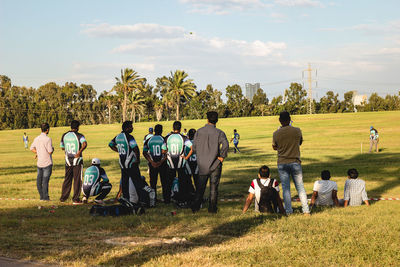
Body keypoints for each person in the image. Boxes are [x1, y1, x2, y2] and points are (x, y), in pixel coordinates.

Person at [190, 111, 229, 213]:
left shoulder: (199, 132)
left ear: (207, 119)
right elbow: (225, 145)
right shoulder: (220, 133)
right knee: (214, 187)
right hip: (215, 163)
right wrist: (222, 157)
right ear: (217, 120)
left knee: (200, 188)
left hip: (202, 164)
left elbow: (193, 147)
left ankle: (196, 207)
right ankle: (212, 209)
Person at [272, 111, 310, 215]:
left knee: (286, 189)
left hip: (282, 162)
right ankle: (306, 210)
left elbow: (274, 147)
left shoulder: (276, 133)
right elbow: (300, 142)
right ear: (290, 119)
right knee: (300, 187)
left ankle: (288, 211)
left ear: (280, 120)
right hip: (295, 161)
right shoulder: (297, 131)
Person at [109, 121, 153, 206]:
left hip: (122, 163)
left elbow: (110, 144)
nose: (132, 128)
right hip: (131, 163)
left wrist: (118, 151)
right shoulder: (129, 137)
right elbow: (135, 148)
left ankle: (126, 199)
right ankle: (142, 200)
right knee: (137, 182)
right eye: (131, 127)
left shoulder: (117, 136)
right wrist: (137, 159)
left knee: (124, 182)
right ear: (126, 128)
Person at [165, 121, 194, 206]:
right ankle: (182, 198)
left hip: (170, 163)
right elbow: (192, 148)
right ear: (180, 128)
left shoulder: (167, 137)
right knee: (182, 182)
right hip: (181, 163)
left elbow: (163, 150)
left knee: (168, 182)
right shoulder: (183, 138)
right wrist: (187, 157)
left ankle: (167, 199)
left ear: (173, 128)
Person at [60, 120, 87, 204]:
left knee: (67, 179)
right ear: (78, 127)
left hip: (68, 160)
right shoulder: (80, 136)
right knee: (77, 179)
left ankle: (63, 198)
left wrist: (68, 151)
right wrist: (79, 152)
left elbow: (62, 147)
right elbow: (85, 144)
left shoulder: (64, 135)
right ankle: (76, 198)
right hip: (77, 160)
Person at [143, 124, 168, 202]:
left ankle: (153, 199)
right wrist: (160, 162)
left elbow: (144, 152)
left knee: (153, 182)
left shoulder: (148, 140)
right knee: (164, 181)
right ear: (161, 130)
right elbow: (165, 152)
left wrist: (151, 162)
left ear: (154, 130)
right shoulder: (164, 139)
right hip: (162, 163)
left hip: (152, 164)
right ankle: (166, 198)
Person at [30, 123, 53, 201]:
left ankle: (41, 197)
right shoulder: (48, 139)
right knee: (45, 181)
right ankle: (46, 197)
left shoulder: (37, 138)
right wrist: (53, 148)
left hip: (39, 163)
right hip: (47, 162)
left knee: (39, 181)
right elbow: (50, 151)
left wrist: (37, 152)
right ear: (47, 130)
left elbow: (31, 148)